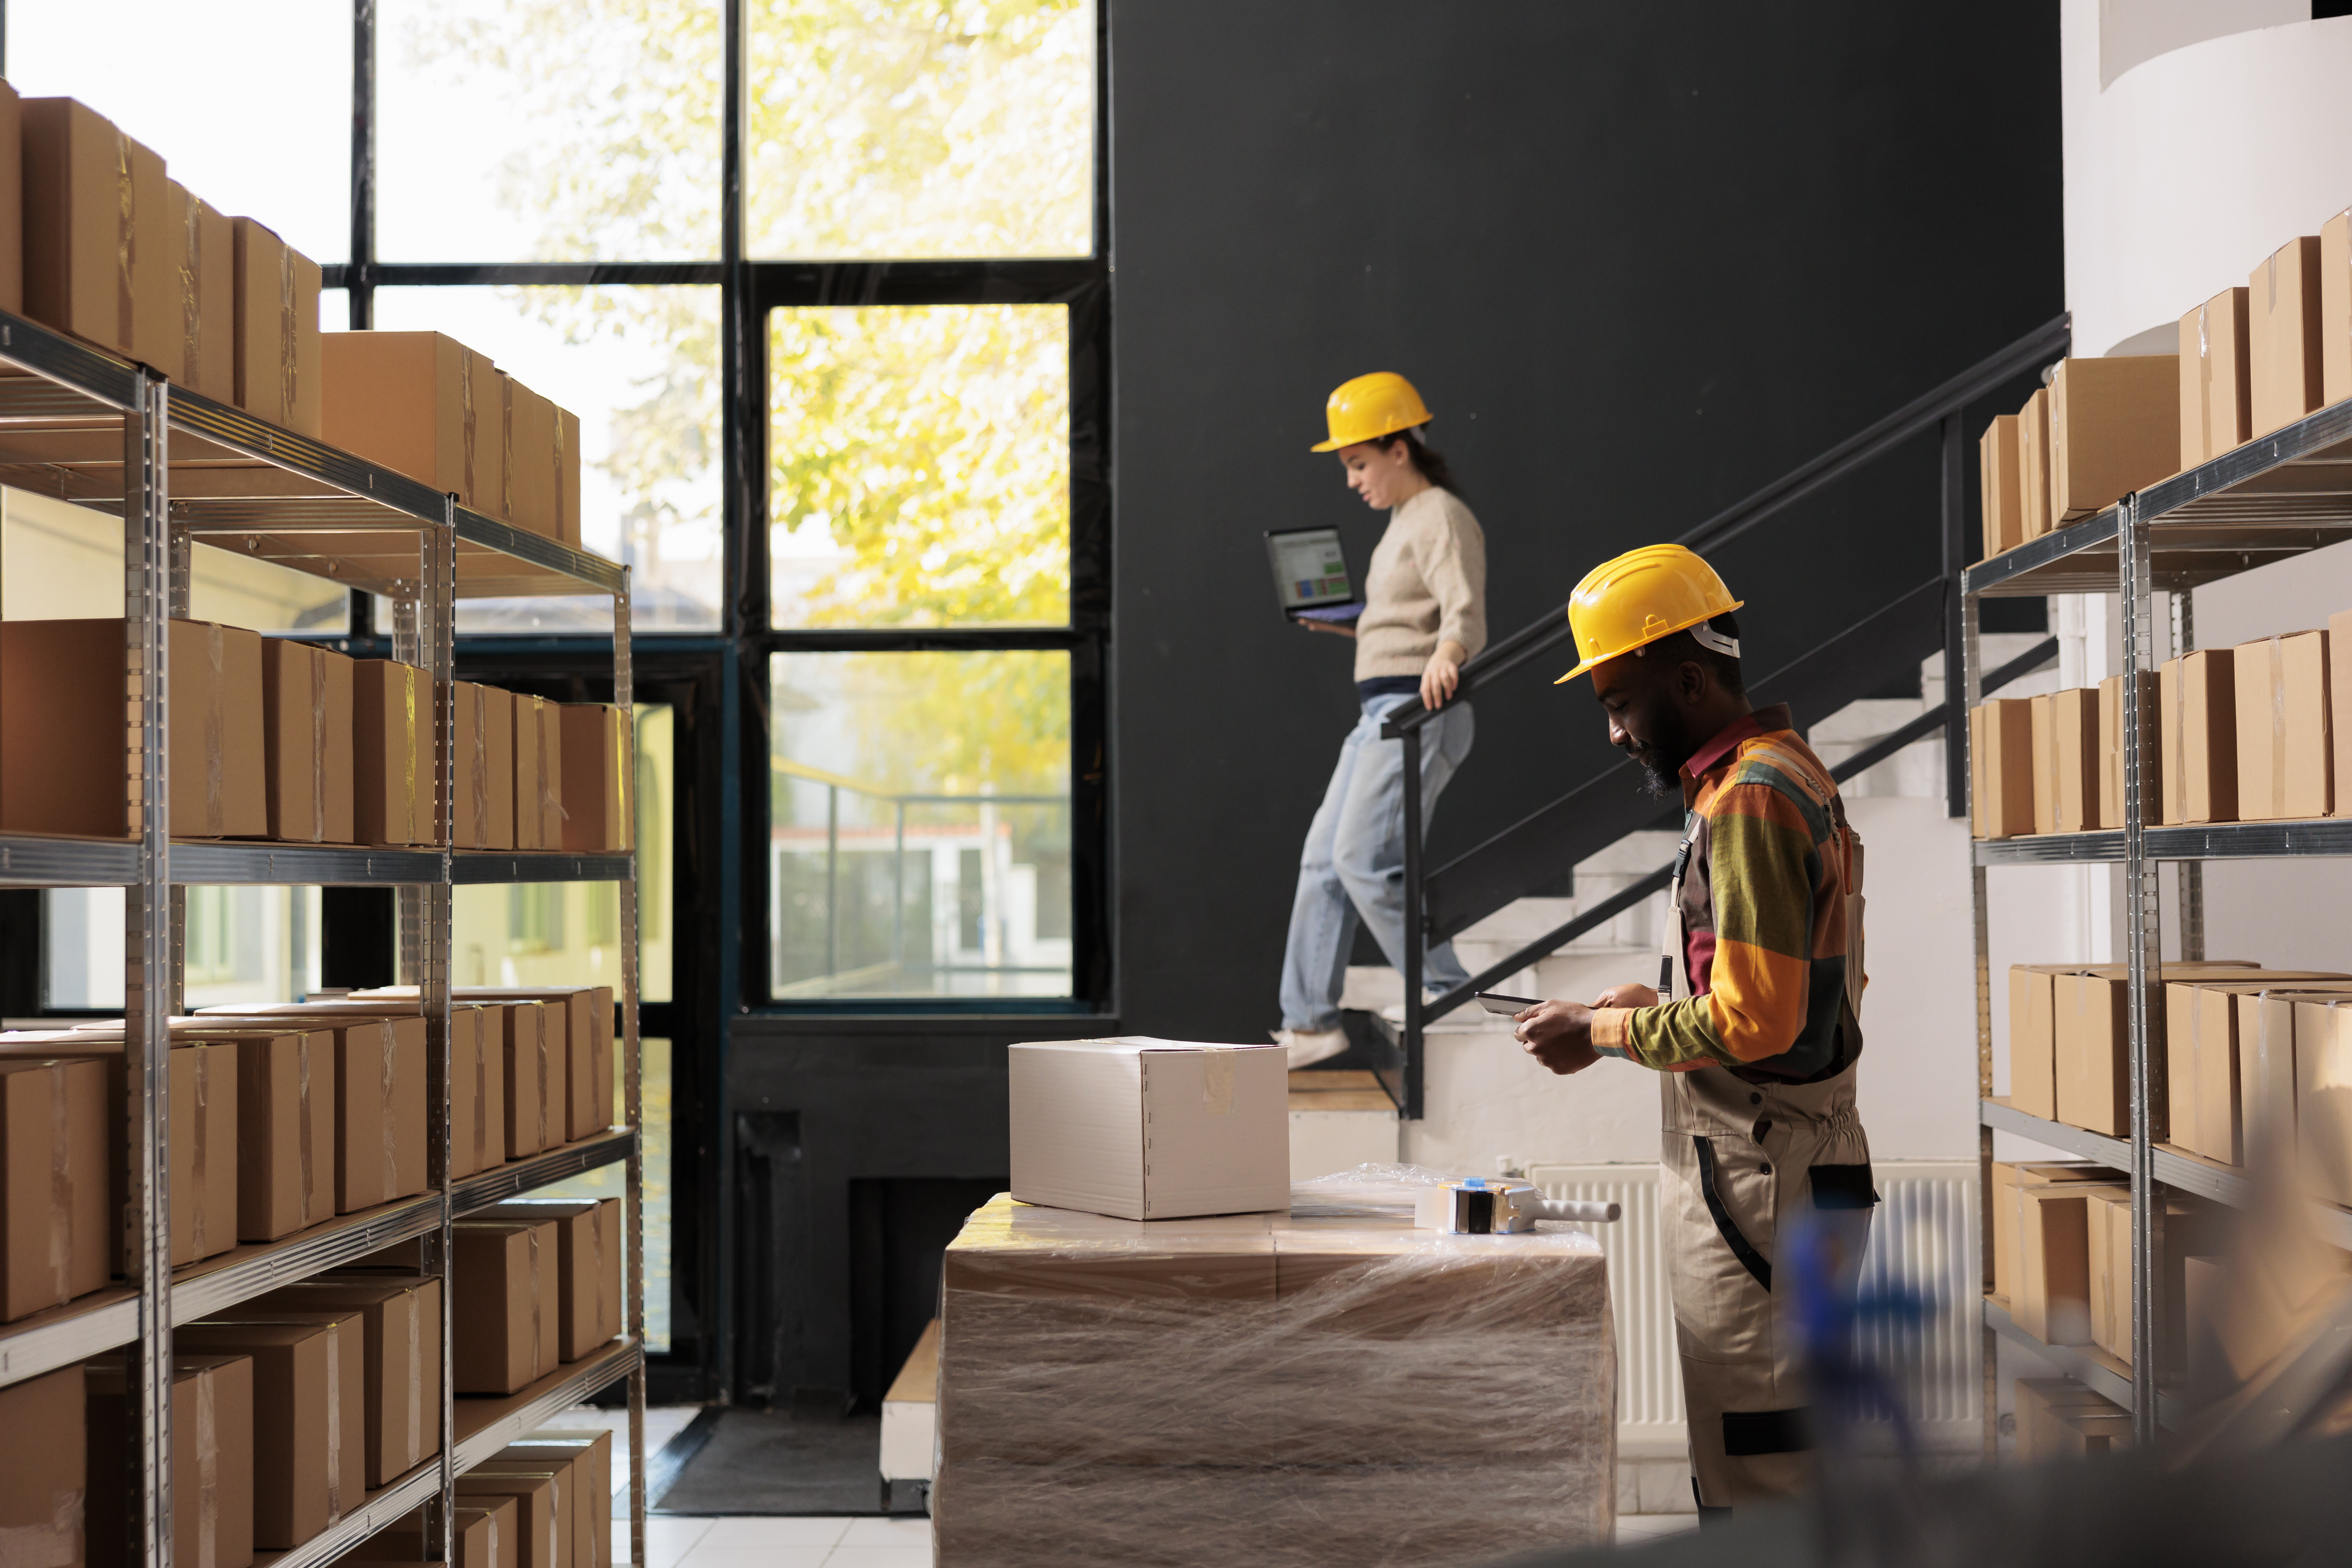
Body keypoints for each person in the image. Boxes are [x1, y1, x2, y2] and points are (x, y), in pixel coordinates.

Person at [1510, 544, 1876, 1519]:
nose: (1617, 734)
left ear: (1686, 678)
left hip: (1761, 1182)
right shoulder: (1772, 773)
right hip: (1792, 1169)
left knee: (1759, 1472)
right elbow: (1770, 986)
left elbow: (1758, 1019)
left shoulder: (1750, 797)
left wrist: (1601, 1034)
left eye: (1620, 704)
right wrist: (1630, 1010)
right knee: (1788, 1454)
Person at [1273, 372, 1486, 1070]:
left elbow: (1463, 608)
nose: (1353, 480)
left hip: (1416, 712)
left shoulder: (1440, 516)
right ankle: (1309, 1023)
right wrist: (1353, 628)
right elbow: (1403, 620)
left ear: (1401, 447)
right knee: (1321, 862)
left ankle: (1447, 989)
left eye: (1359, 463)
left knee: (1364, 862)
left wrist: (1449, 652)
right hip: (1380, 712)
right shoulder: (1401, 524)